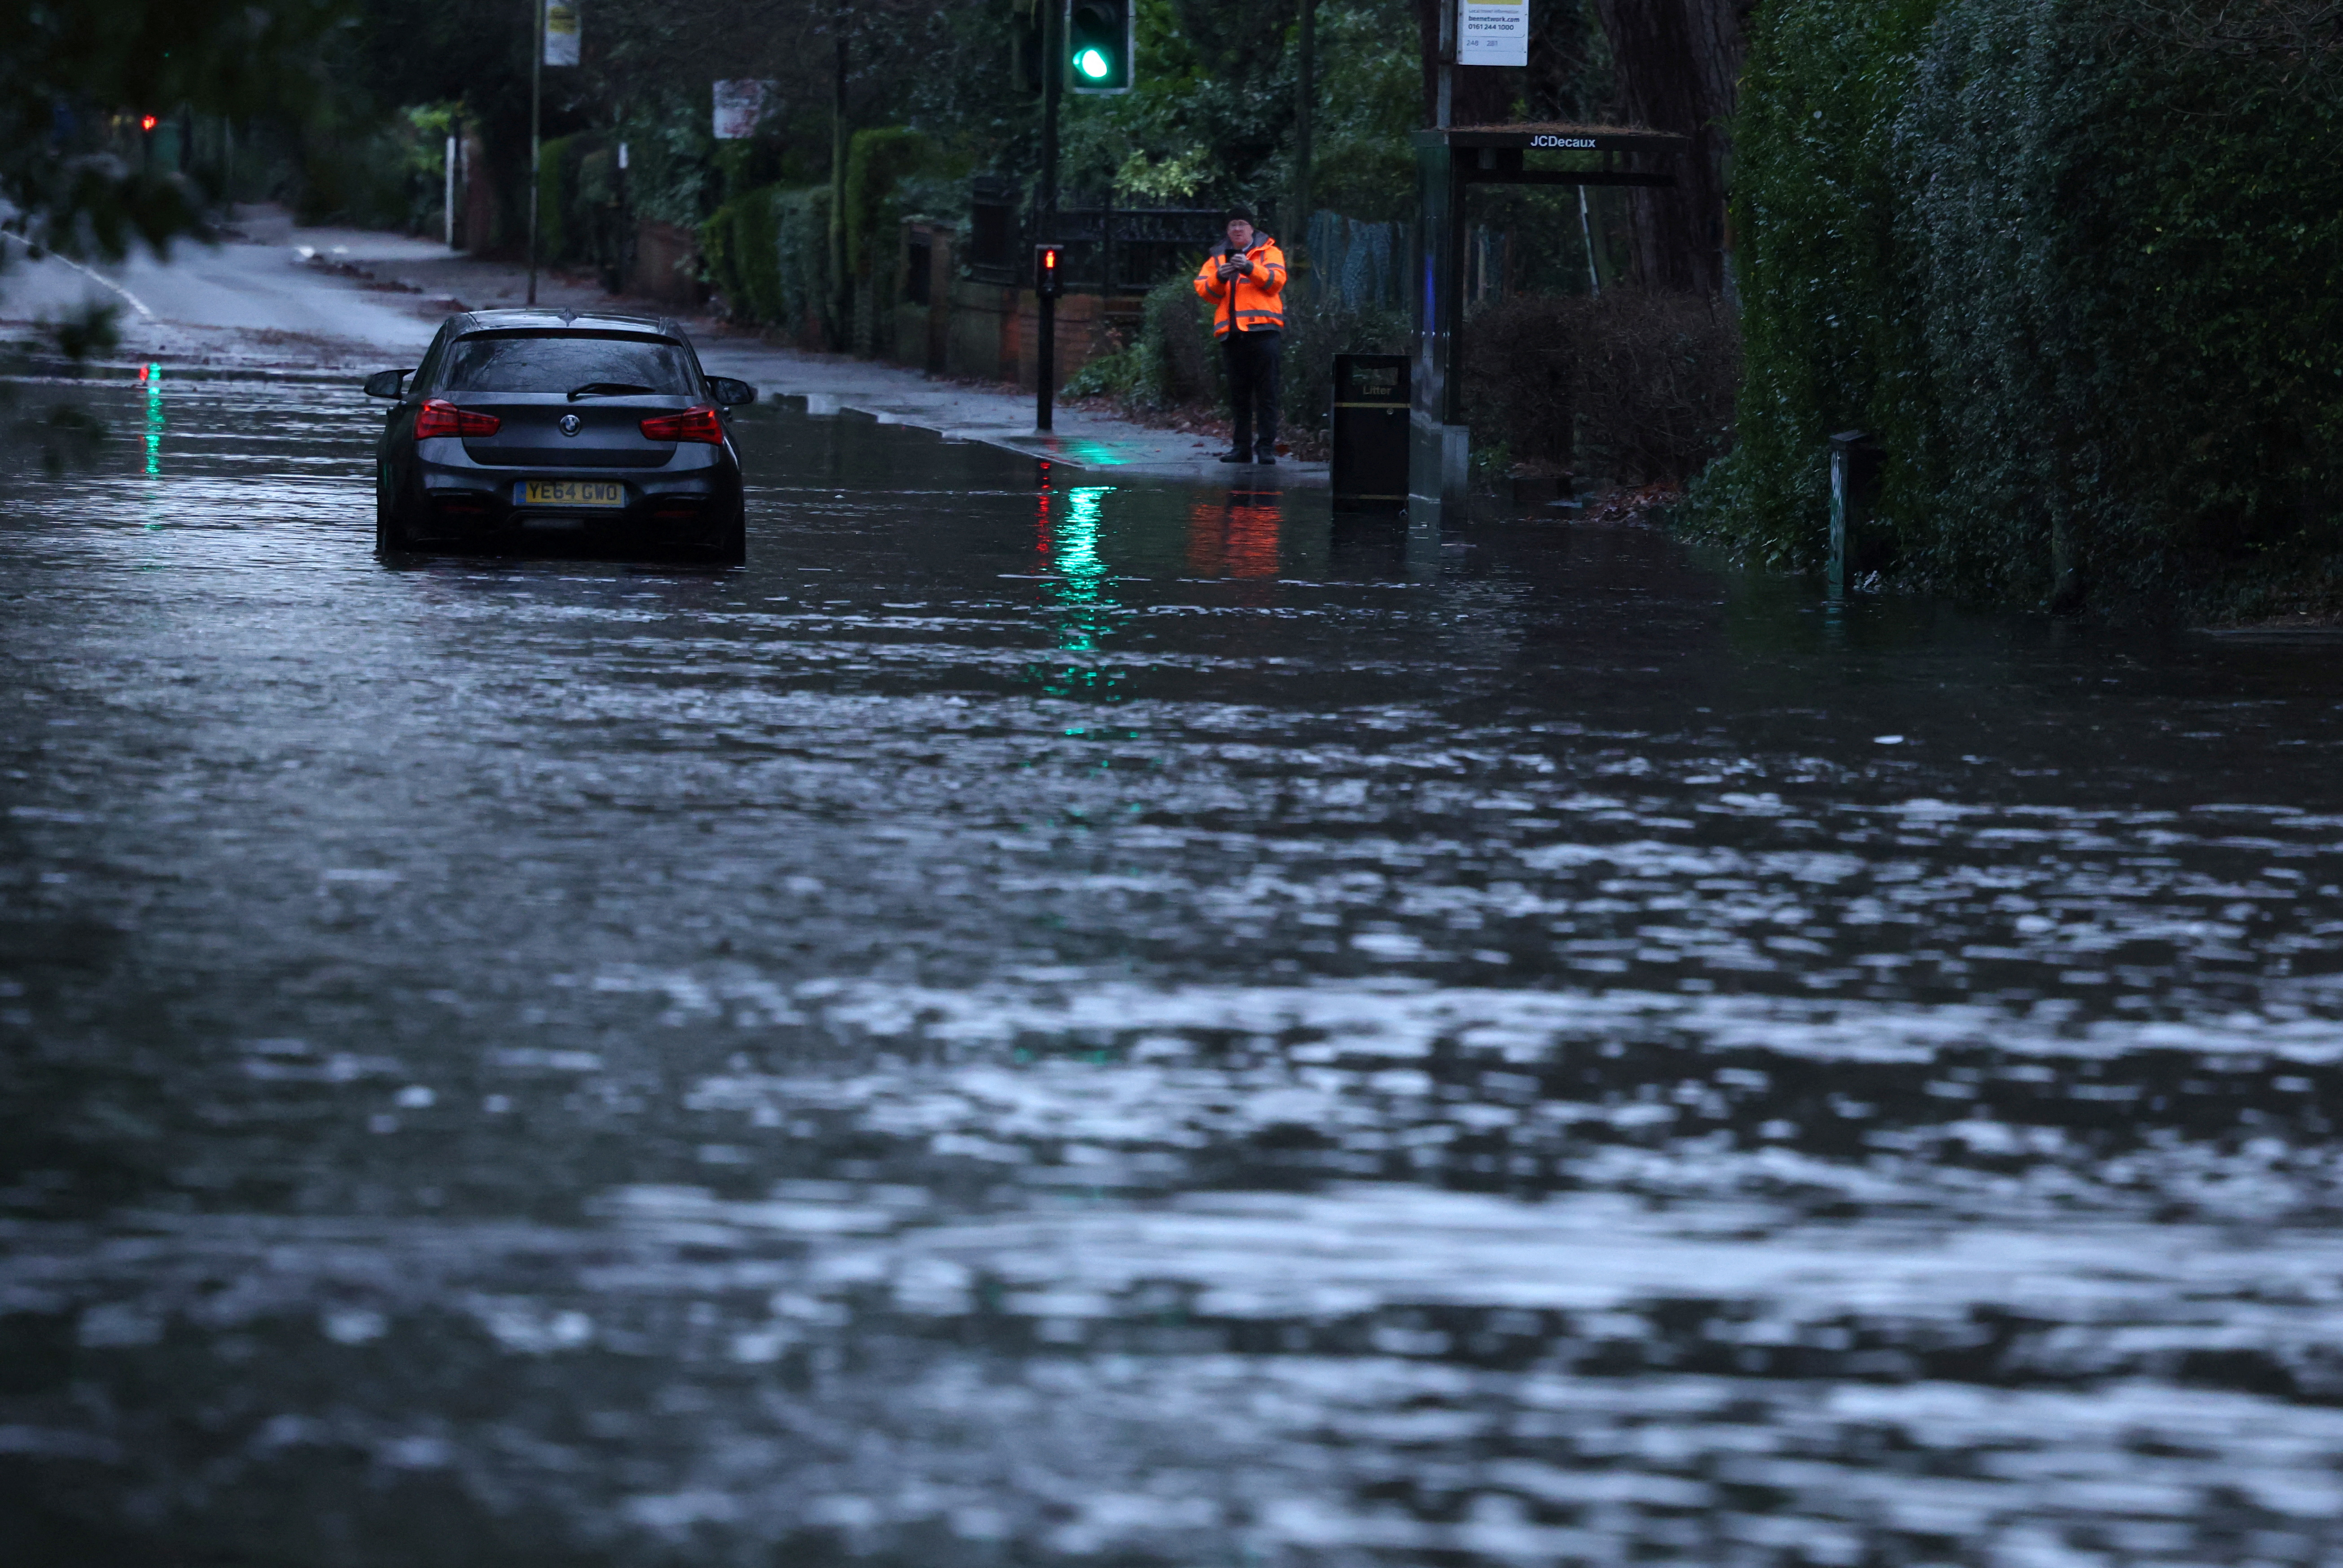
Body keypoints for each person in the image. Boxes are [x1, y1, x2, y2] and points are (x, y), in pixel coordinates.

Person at [1193, 206, 1286, 465]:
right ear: (1227, 230)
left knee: (1267, 394)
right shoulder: (1217, 257)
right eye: (1232, 225)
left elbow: (1276, 282)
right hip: (1233, 335)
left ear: (1251, 229)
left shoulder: (1270, 252)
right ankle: (1241, 448)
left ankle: (1266, 448)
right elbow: (1205, 291)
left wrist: (1248, 268)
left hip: (1264, 331)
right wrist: (1219, 278)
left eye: (1242, 224)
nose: (1237, 229)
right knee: (1239, 395)